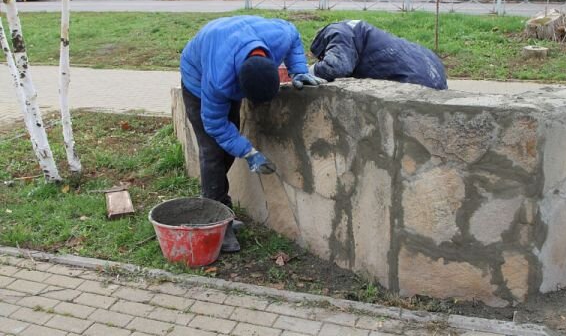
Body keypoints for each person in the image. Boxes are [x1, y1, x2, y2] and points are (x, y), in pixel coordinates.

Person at [180, 15, 325, 253]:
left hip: (230, 44)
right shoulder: (219, 81)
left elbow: (294, 34)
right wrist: (248, 152)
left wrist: (298, 70)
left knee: (228, 145)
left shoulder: (278, 37)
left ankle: (220, 208)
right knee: (213, 152)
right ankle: (214, 224)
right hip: (197, 76)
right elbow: (214, 124)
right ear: (237, 84)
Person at [309, 20, 448, 90]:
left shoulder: (337, 33)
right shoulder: (360, 32)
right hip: (432, 73)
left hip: (418, 84)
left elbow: (337, 67)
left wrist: (311, 70)